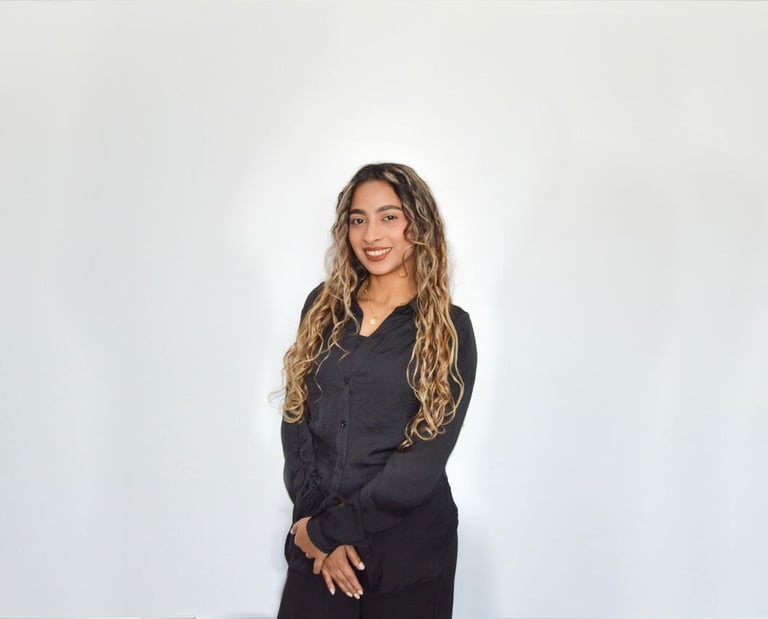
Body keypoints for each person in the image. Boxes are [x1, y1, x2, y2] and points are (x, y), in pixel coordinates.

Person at [277, 162, 477, 619]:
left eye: (389, 216)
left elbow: (423, 460)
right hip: (316, 540)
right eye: (358, 219)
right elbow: (296, 418)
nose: (371, 235)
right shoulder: (322, 306)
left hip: (406, 553)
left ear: (418, 225)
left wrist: (331, 532)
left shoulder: (450, 329)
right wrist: (313, 527)